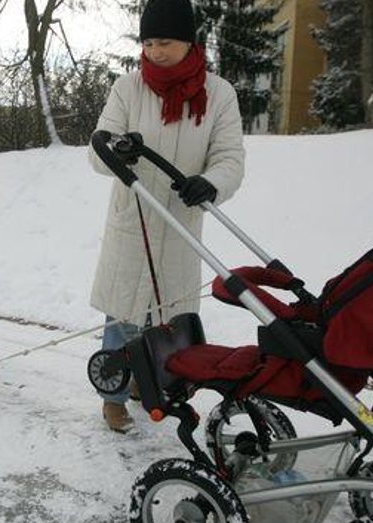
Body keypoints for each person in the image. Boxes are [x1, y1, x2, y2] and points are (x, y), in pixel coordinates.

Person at [87, 0, 245, 433]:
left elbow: (229, 157)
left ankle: (148, 383)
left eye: (165, 42)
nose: (155, 51)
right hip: (133, 220)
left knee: (167, 321)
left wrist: (211, 182)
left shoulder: (219, 94)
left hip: (179, 224)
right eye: (149, 42)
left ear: (189, 41)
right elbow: (97, 151)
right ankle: (113, 395)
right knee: (123, 318)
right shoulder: (128, 88)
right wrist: (117, 150)